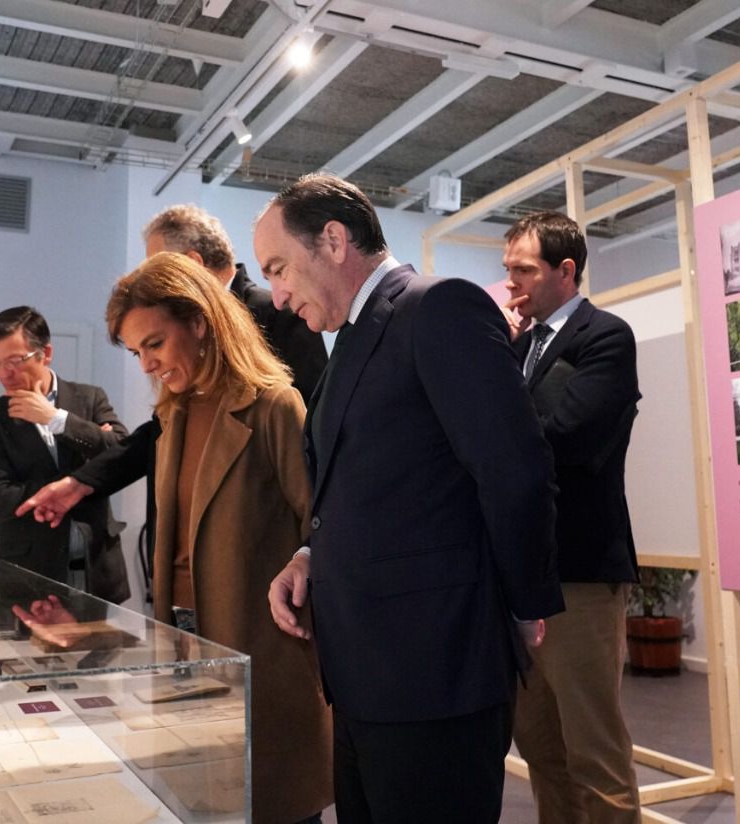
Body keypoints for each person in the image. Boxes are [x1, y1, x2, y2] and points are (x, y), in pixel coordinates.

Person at [259, 173, 564, 823]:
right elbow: (373, 487)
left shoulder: (437, 307)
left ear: (334, 241)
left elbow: (514, 469)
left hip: (436, 673)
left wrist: (522, 603)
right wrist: (310, 554)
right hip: (367, 672)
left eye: (280, 269)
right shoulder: (354, 341)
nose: (278, 297)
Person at [104, 251, 331, 823]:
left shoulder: (275, 405)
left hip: (260, 646)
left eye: (154, 344)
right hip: (181, 639)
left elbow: (322, 526)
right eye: (137, 352)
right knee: (204, 805)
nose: (147, 365)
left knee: (275, 803)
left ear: (199, 321)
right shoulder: (172, 415)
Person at [16, 203, 328, 556]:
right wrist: (81, 482)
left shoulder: (276, 313)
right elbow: (158, 432)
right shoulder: (172, 341)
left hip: (255, 552)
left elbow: (311, 430)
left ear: (192, 265)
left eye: (156, 267)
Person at [502, 212, 642, 823]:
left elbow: (566, 437)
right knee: (540, 748)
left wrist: (492, 444)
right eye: (507, 269)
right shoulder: (515, 346)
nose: (511, 282)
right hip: (524, 576)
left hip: (580, 573)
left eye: (524, 270)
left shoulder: (605, 336)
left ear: (566, 270)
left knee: (594, 753)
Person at [0, 306, 130, 603]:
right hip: (31, 570)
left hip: (98, 565)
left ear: (45, 353)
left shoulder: (90, 398)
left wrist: (57, 418)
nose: (5, 373)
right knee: (31, 650)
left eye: (15, 361)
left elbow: (123, 452)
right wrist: (80, 481)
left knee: (103, 647)